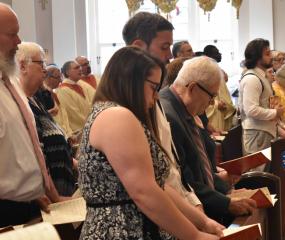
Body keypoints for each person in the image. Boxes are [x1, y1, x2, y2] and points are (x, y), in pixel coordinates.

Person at [78, 46, 222, 240]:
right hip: (122, 231)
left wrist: (202, 222)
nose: (156, 98)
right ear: (132, 81)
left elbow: (157, 185)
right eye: (153, 88)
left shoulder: (114, 113)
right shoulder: (116, 116)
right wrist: (194, 235)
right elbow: (144, 191)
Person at [160, 56, 257, 226]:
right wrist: (225, 203)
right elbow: (184, 180)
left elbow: (201, 169)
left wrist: (225, 190)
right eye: (211, 96)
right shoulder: (169, 115)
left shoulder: (181, 108)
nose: (212, 102)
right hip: (192, 216)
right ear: (192, 88)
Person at [123, 11, 202, 208]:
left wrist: (193, 204)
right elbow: (147, 185)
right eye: (164, 47)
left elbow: (171, 164)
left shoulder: (152, 93)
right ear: (138, 47)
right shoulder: (123, 106)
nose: (169, 56)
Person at [0, 3, 64, 227]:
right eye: (12, 34)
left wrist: (34, 189)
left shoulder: (9, 81)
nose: (18, 41)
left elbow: (19, 147)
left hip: (30, 202)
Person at [16, 42, 77, 196]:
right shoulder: (19, 103)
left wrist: (73, 161)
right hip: (46, 196)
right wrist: (54, 197)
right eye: (41, 63)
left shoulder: (36, 99)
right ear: (22, 66)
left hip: (62, 187)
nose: (45, 70)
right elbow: (37, 155)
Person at [239, 39, 283, 164]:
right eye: (267, 54)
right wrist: (275, 113)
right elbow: (251, 110)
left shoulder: (261, 76)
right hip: (257, 134)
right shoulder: (252, 79)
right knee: (259, 174)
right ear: (257, 57)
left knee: (267, 173)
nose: (271, 57)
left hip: (264, 132)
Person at [56, 60, 95, 134]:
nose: (80, 69)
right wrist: (91, 123)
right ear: (67, 72)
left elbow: (89, 105)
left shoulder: (81, 86)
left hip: (89, 126)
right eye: (76, 68)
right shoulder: (63, 90)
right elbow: (73, 114)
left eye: (80, 67)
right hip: (78, 130)